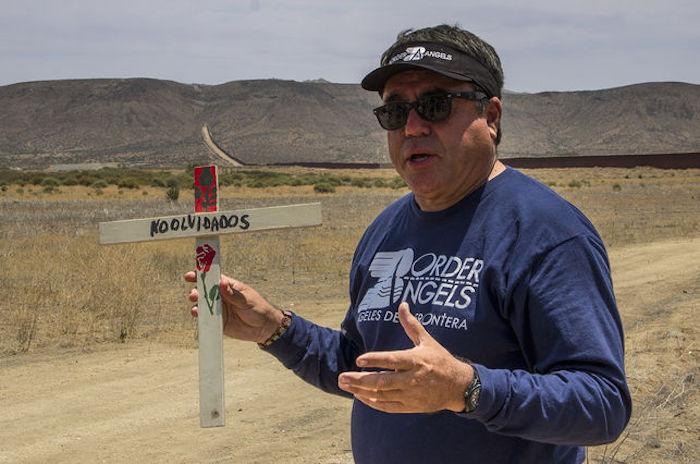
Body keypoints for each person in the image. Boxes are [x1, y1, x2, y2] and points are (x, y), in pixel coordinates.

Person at [186, 24, 631, 463]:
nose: (413, 127)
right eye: (395, 113)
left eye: (435, 105)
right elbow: (360, 362)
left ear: (490, 117)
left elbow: (602, 405)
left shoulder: (545, 231)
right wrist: (274, 328)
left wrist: (466, 389)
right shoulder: (386, 230)